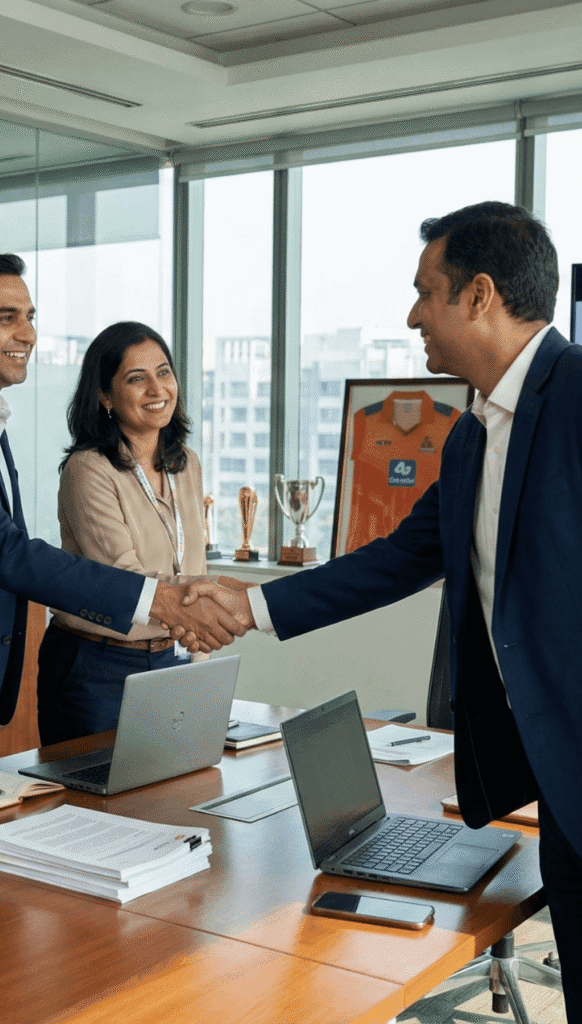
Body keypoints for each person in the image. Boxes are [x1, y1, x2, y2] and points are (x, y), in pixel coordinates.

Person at [185, 201, 582, 1016]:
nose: (411, 316)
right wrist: (252, 608)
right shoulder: (471, 433)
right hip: (556, 783)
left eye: (423, 293)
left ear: (477, 296)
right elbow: (401, 558)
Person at [0, 250, 243, 788]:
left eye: (30, 316)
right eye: (5, 318)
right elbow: (4, 551)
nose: (28, 334)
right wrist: (159, 598)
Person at [37, 321, 209, 744]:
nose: (157, 389)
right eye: (137, 378)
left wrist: (199, 659)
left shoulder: (185, 463)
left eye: (163, 372)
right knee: (97, 802)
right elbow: (124, 581)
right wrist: (211, 606)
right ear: (104, 395)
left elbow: (194, 563)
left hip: (171, 656)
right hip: (96, 667)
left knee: (170, 798)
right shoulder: (89, 469)